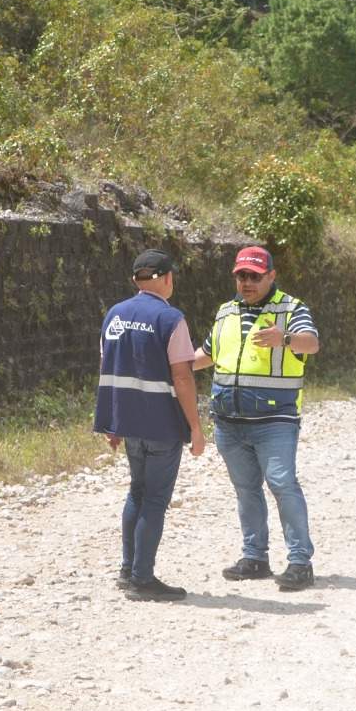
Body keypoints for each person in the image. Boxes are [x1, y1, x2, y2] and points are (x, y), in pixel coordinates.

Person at [190, 246, 321, 591]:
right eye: (241, 275)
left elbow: (311, 344)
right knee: (246, 490)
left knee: (282, 484)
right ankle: (255, 558)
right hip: (229, 421)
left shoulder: (291, 309)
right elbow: (207, 354)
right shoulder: (225, 311)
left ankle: (300, 562)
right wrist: (173, 366)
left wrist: (285, 339)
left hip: (274, 420)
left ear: (271, 276)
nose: (246, 282)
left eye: (254, 276)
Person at [94, 249, 206, 601]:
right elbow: (182, 377)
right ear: (168, 278)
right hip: (161, 424)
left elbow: (108, 368)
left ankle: (128, 570)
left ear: (135, 280)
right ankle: (142, 579)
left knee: (137, 493)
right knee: (155, 499)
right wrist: (195, 427)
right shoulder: (171, 319)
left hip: (129, 424)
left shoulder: (114, 314)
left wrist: (113, 422)